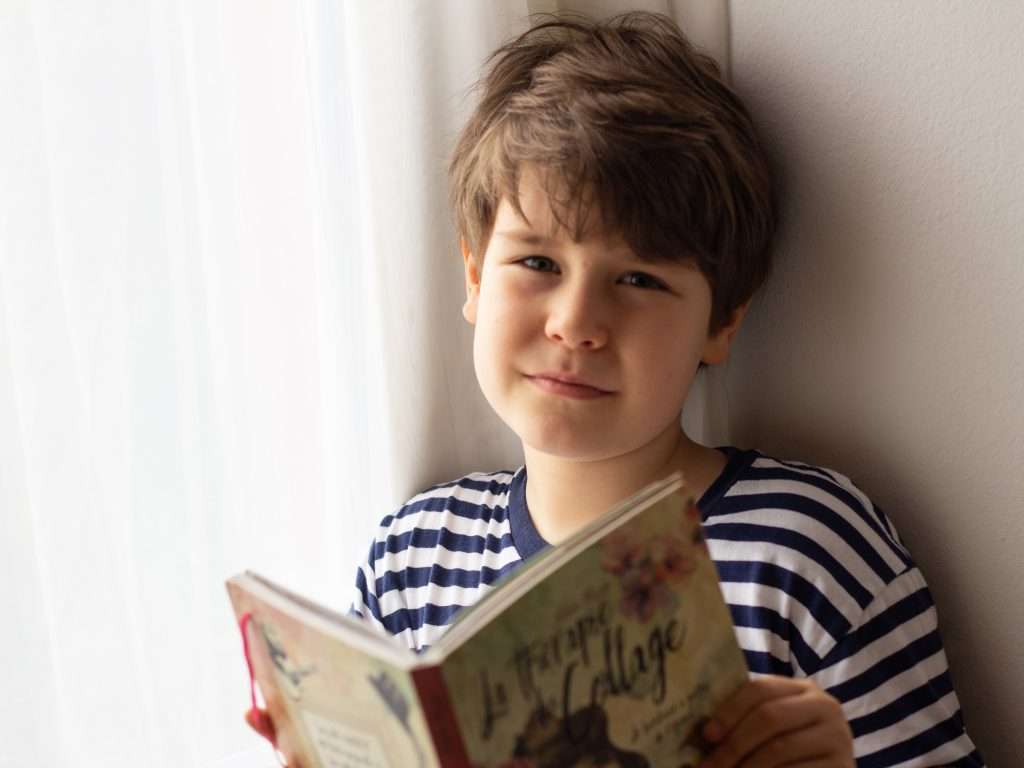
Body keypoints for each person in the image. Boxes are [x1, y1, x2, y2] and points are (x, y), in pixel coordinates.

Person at [247, 12, 983, 767]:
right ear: (474, 276)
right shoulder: (411, 561)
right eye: (537, 264)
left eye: (638, 280)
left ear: (721, 324)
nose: (576, 324)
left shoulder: (804, 551)